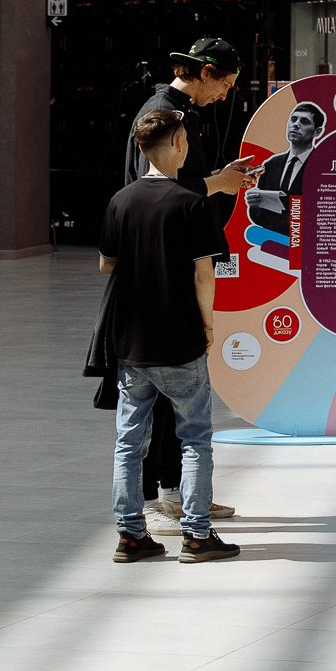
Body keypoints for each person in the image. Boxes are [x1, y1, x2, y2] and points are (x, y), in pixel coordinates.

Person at [98, 109, 240, 563]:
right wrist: (209, 324)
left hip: (131, 343)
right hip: (179, 339)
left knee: (128, 441)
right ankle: (196, 534)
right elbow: (204, 273)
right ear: (178, 144)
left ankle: (130, 534)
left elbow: (106, 264)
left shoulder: (121, 201)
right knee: (194, 436)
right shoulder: (192, 203)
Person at [124, 37, 254, 530]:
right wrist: (213, 185)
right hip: (168, 271)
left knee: (155, 400)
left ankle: (170, 492)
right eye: (224, 83)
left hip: (162, 267)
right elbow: (157, 191)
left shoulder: (178, 112)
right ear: (203, 73)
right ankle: (172, 497)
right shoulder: (164, 114)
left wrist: (218, 178)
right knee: (171, 393)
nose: (226, 94)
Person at [244, 100, 326, 237]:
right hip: (272, 245)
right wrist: (255, 204)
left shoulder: (323, 167)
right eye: (293, 119)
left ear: (317, 132)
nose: (296, 125)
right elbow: (258, 216)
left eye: (304, 121)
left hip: (309, 244)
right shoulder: (271, 164)